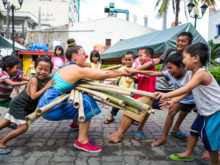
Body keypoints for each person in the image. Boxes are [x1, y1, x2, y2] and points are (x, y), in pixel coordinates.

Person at [37, 45, 126, 152]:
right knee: (86, 101)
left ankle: (75, 123)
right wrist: (124, 72)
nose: (86, 56)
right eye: (83, 54)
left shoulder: (66, 66)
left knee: (79, 94)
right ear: (74, 56)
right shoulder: (75, 69)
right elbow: (105, 74)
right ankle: (82, 141)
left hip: (47, 102)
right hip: (49, 107)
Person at [155, 43, 219, 165]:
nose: (183, 61)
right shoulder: (191, 74)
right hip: (205, 111)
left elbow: (186, 88)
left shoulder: (201, 73)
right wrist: (173, 100)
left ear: (196, 58)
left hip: (215, 111)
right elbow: (189, 90)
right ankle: (188, 153)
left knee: (209, 139)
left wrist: (168, 95)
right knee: (194, 130)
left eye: (185, 57)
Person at [126, 53, 195, 146]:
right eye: (168, 68)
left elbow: (188, 90)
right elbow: (153, 73)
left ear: (181, 66)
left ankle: (207, 150)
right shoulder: (170, 72)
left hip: (196, 99)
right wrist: (137, 71)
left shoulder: (191, 74)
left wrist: (170, 97)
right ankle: (163, 138)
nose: (169, 71)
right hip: (182, 98)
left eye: (170, 68)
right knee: (171, 112)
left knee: (204, 122)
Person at [0, 57, 54, 155]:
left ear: (50, 71)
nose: (42, 72)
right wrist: (46, 87)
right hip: (19, 106)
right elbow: (33, 96)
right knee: (23, 127)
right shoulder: (34, 80)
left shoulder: (46, 79)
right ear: (35, 68)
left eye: (46, 70)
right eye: (40, 69)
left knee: (6, 122)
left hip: (19, 105)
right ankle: (1, 142)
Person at [108, 47, 156, 143]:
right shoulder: (141, 67)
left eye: (141, 55)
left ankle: (120, 134)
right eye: (138, 56)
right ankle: (119, 133)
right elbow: (137, 79)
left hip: (147, 94)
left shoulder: (150, 63)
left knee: (130, 113)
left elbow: (149, 64)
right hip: (139, 93)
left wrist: (132, 71)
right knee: (127, 112)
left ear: (149, 56)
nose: (139, 58)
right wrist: (128, 75)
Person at [104, 52, 135, 124]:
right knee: (116, 105)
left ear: (133, 60)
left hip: (131, 91)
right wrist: (108, 84)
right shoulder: (122, 69)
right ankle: (111, 117)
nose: (127, 61)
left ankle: (132, 119)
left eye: (129, 60)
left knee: (132, 106)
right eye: (126, 60)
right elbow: (115, 77)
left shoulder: (136, 69)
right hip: (121, 91)